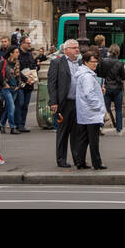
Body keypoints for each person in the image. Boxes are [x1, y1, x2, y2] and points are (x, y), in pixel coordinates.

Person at [70, 47, 107, 169]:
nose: (95, 64)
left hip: (84, 112)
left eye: (96, 62)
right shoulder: (87, 76)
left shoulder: (83, 74)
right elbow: (89, 94)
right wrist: (99, 106)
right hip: (91, 113)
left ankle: (80, 162)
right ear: (86, 62)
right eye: (93, 62)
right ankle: (97, 163)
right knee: (93, 140)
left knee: (83, 139)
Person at [48, 39, 80, 168]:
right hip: (64, 103)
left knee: (77, 133)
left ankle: (78, 159)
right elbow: (52, 84)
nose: (77, 49)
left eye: (77, 47)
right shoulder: (57, 62)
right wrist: (54, 102)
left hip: (78, 103)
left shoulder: (81, 63)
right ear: (66, 50)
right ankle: (61, 159)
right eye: (73, 48)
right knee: (63, 132)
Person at [98, 44, 125, 132]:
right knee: (118, 109)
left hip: (106, 87)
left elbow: (100, 74)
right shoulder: (120, 63)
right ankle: (119, 129)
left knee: (104, 109)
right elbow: (124, 77)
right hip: (117, 88)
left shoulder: (103, 61)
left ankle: (100, 127)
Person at [14, 38, 38, 132]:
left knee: (25, 105)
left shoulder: (29, 54)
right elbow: (16, 70)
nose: (29, 45)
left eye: (30, 43)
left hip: (29, 83)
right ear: (22, 43)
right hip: (20, 83)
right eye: (28, 43)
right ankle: (18, 124)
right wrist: (26, 78)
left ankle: (22, 124)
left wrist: (33, 76)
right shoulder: (17, 53)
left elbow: (32, 66)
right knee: (19, 103)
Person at [0, 44, 20, 134]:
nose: (18, 54)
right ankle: (12, 127)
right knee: (11, 107)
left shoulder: (17, 62)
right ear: (11, 53)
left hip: (15, 88)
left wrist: (19, 84)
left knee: (8, 108)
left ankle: (1, 124)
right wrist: (4, 84)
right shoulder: (3, 62)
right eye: (16, 52)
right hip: (6, 88)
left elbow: (18, 75)